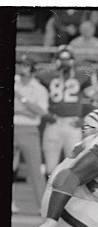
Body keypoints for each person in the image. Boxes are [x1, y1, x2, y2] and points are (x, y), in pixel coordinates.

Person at [37, 45, 97, 176]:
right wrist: (46, 115)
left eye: (67, 59)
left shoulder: (82, 74)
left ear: (73, 60)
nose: (64, 62)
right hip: (54, 121)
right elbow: (38, 96)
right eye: (61, 59)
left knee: (75, 163)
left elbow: (94, 100)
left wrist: (84, 119)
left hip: (72, 123)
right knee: (50, 166)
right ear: (56, 60)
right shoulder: (46, 75)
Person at [13, 54, 49, 212]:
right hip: (12, 126)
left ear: (32, 68)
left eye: (25, 65)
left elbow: (40, 112)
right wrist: (27, 109)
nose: (21, 67)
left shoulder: (39, 88)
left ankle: (43, 206)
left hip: (29, 130)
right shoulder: (13, 82)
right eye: (20, 64)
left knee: (35, 170)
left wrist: (23, 100)